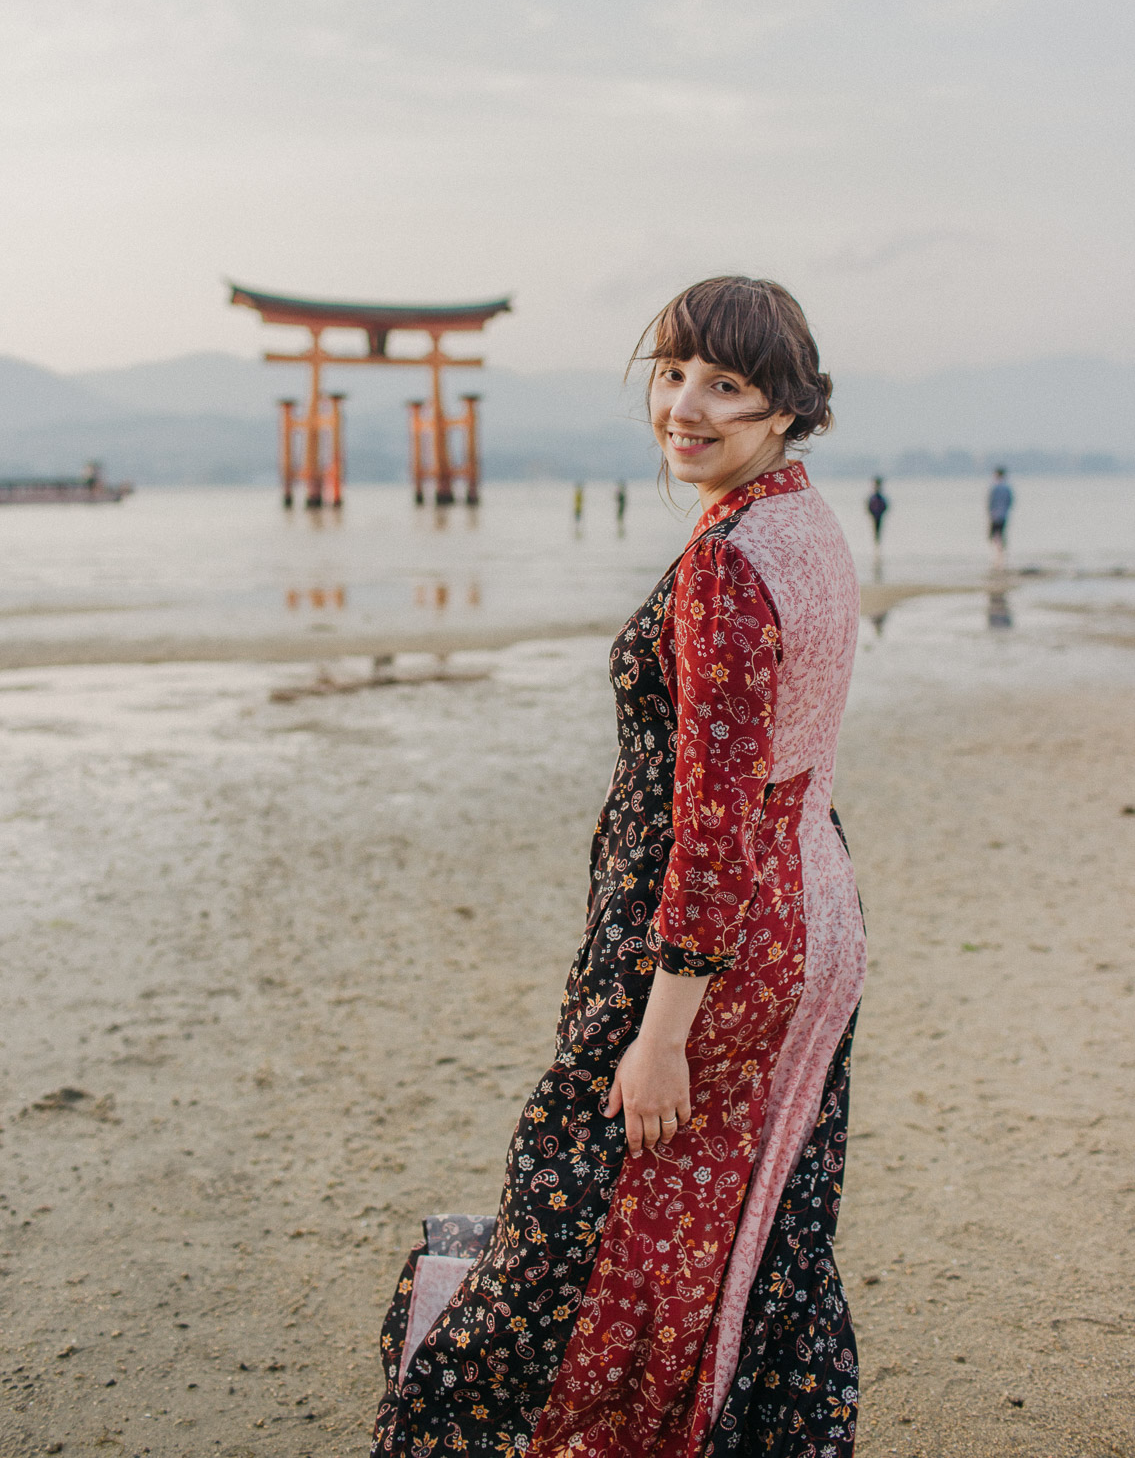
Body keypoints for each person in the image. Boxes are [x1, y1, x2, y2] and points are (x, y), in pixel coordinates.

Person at [370, 277, 867, 1458]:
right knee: (760, 1216)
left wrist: (660, 1027)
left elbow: (712, 819)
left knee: (577, 1225)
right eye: (671, 370)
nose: (683, 405)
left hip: (720, 944)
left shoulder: (728, 568)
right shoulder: (803, 520)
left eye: (725, 384)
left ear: (787, 406)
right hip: (816, 907)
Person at [988, 466, 1013, 557]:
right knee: (1001, 534)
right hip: (1004, 514)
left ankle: (998, 553)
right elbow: (1010, 501)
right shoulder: (1007, 488)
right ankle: (1001, 552)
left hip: (995, 514)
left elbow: (991, 502)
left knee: (994, 535)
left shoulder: (995, 487)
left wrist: (990, 512)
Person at [866, 476, 888, 545]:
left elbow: (885, 506)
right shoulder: (875, 496)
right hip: (875, 513)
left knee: (877, 529)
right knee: (876, 529)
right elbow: (869, 505)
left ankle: (877, 542)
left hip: (878, 513)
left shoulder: (878, 496)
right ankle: (876, 542)